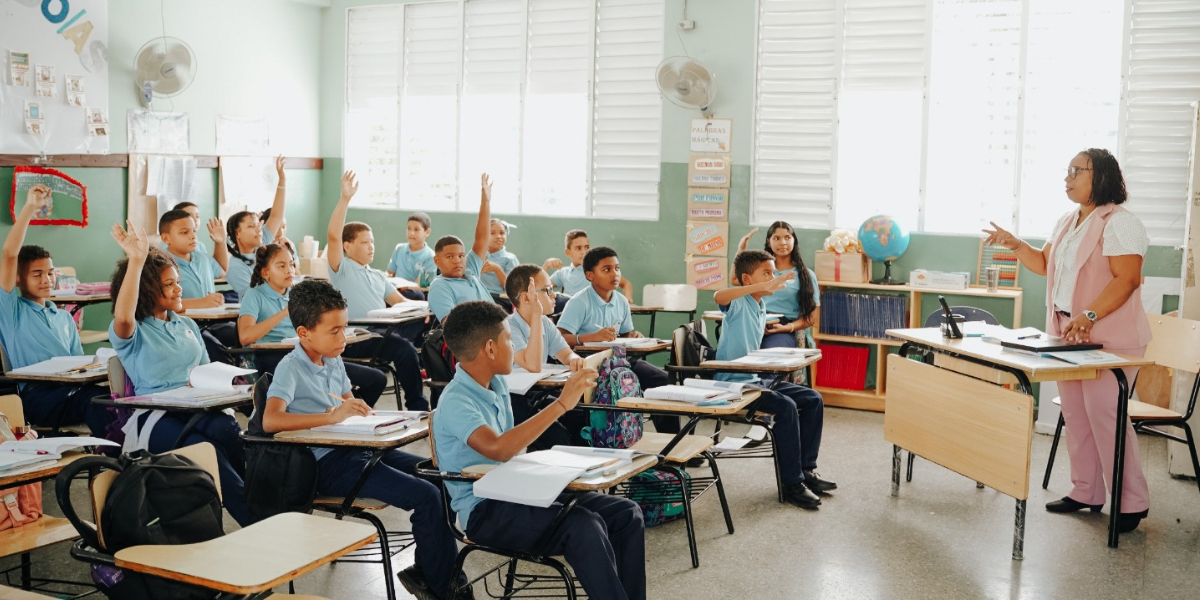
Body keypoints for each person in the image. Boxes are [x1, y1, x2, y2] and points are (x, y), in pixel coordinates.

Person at [983, 148, 1152, 533]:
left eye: (1077, 171)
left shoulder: (1121, 223)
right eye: (1068, 170)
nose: (1068, 177)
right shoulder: (1067, 220)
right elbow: (1044, 265)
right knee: (1076, 414)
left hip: (1110, 337)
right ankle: (1086, 491)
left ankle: (1131, 502)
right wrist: (1014, 244)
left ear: (1102, 176)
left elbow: (1127, 280)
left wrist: (1089, 314)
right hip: (1065, 335)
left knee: (1106, 417)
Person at [260, 279, 461, 600]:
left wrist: (361, 412)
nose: (344, 337)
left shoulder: (333, 357)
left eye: (344, 327)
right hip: (324, 464)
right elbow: (271, 420)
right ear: (304, 333)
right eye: (335, 331)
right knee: (424, 496)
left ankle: (428, 572)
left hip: (356, 449)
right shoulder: (291, 367)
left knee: (436, 479)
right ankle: (446, 590)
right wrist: (332, 416)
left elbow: (344, 403)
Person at [432, 300, 646, 600]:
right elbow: (498, 448)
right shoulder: (457, 400)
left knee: (626, 512)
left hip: (519, 488)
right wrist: (561, 404)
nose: (513, 346)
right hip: (484, 510)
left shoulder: (496, 383)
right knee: (583, 525)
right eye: (509, 339)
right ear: (491, 349)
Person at [107, 224, 250, 526]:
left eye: (177, 281)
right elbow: (123, 315)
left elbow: (206, 371)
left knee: (230, 430)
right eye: (169, 284)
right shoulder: (133, 331)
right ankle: (259, 522)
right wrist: (136, 260)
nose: (178, 288)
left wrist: (227, 387)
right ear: (147, 290)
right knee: (208, 452)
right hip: (155, 416)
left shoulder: (185, 324)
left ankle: (259, 502)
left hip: (195, 406)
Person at [714, 250, 836, 509]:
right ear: (748, 280)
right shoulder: (739, 302)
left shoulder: (760, 305)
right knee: (785, 407)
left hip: (756, 380)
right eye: (767, 273)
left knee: (812, 399)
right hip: (733, 383)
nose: (774, 278)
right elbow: (719, 296)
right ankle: (791, 483)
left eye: (774, 273)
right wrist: (762, 286)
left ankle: (806, 471)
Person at [0, 184, 110, 435]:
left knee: (109, 397)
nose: (46, 280)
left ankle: (127, 458)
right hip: (37, 398)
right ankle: (126, 460)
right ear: (17, 279)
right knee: (94, 402)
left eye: (50, 273)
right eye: (37, 274)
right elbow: (9, 254)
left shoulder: (63, 317)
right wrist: (29, 208)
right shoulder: (11, 311)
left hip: (72, 390)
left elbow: (79, 364)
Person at [327, 171, 427, 411]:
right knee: (403, 349)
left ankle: (418, 389)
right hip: (355, 336)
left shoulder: (376, 275)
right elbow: (332, 235)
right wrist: (345, 199)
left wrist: (425, 309)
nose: (371, 247)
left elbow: (401, 301)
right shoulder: (341, 268)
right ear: (347, 246)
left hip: (380, 332)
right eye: (364, 242)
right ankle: (417, 406)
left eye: (372, 242)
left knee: (420, 310)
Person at [237, 243, 386, 405]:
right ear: (265, 273)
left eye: (292, 264)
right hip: (273, 358)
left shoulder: (297, 293)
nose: (289, 270)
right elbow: (245, 337)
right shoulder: (254, 295)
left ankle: (347, 418)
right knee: (317, 394)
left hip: (310, 354)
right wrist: (284, 313)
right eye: (281, 266)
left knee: (376, 379)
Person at [556, 246, 675, 433]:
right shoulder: (579, 302)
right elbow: (559, 337)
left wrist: (633, 336)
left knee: (662, 380)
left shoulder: (620, 301)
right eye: (606, 270)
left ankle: (671, 443)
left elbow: (626, 334)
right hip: (592, 367)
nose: (615, 274)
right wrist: (590, 338)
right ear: (590, 275)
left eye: (617, 268)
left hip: (620, 363)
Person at [505, 264, 587, 448]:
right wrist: (536, 316)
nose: (554, 295)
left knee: (581, 417)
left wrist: (575, 360)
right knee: (555, 434)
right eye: (548, 290)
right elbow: (532, 365)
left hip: (537, 393)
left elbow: (566, 354)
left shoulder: (545, 323)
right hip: (512, 399)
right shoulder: (509, 326)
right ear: (527, 297)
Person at [736, 222, 820, 349]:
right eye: (776, 238)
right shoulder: (758, 270)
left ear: (794, 241)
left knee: (772, 355)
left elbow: (812, 317)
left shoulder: (806, 275)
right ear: (769, 242)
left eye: (787, 237)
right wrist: (740, 249)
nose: (782, 242)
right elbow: (734, 279)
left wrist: (786, 328)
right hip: (753, 322)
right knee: (735, 351)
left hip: (782, 328)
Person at [426, 174, 496, 323]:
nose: (457, 261)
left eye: (461, 256)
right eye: (450, 257)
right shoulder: (440, 286)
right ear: (437, 261)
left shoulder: (470, 270)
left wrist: (486, 201)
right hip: (479, 340)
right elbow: (452, 328)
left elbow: (482, 239)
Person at [225, 156, 288, 298]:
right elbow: (252, 298)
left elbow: (276, 215)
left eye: (258, 225)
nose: (258, 230)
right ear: (237, 233)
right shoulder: (235, 266)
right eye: (251, 226)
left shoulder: (263, 245)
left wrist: (282, 180)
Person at [386, 212, 437, 300]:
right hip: (395, 288)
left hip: (413, 291)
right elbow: (390, 273)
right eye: (409, 229)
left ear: (427, 232)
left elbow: (422, 286)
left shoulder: (430, 256)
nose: (411, 233)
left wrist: (403, 287)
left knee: (416, 295)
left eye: (416, 229)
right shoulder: (399, 248)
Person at [480, 218, 519, 310]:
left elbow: (512, 289)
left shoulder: (510, 259)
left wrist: (497, 269)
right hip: (478, 296)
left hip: (499, 299)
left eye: (502, 233)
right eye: (492, 233)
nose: (498, 236)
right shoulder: (478, 256)